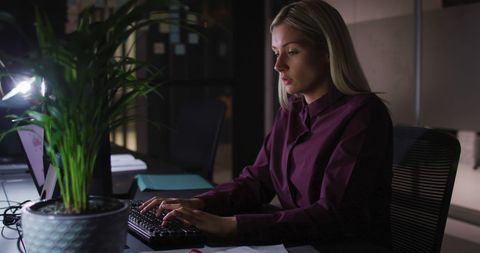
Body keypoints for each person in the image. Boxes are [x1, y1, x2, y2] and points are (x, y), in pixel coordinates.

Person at [140, 0, 392, 248]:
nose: (278, 65)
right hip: (297, 242)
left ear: (327, 50)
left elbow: (334, 214)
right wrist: (201, 203)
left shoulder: (363, 115)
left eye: (292, 51)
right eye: (276, 52)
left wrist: (229, 225)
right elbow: (257, 181)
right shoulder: (292, 111)